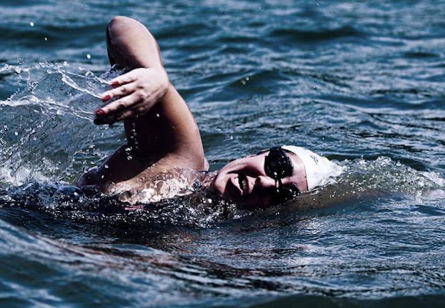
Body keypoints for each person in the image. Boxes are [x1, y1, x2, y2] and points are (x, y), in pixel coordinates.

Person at [78, 16, 342, 210]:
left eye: (285, 194)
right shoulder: (178, 156)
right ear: (259, 154)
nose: (267, 183)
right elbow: (122, 26)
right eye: (277, 166)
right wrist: (155, 75)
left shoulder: (213, 237)